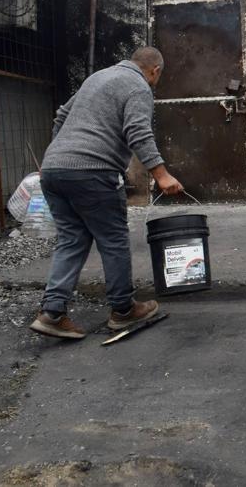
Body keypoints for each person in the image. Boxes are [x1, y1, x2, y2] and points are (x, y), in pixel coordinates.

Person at [29, 47, 183, 340]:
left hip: (53, 169)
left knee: (72, 239)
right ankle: (123, 310)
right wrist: (162, 175)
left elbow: (61, 116)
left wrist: (59, 154)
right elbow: (138, 131)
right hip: (93, 172)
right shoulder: (139, 86)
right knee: (113, 240)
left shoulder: (97, 78)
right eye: (157, 77)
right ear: (155, 71)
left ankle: (52, 312)